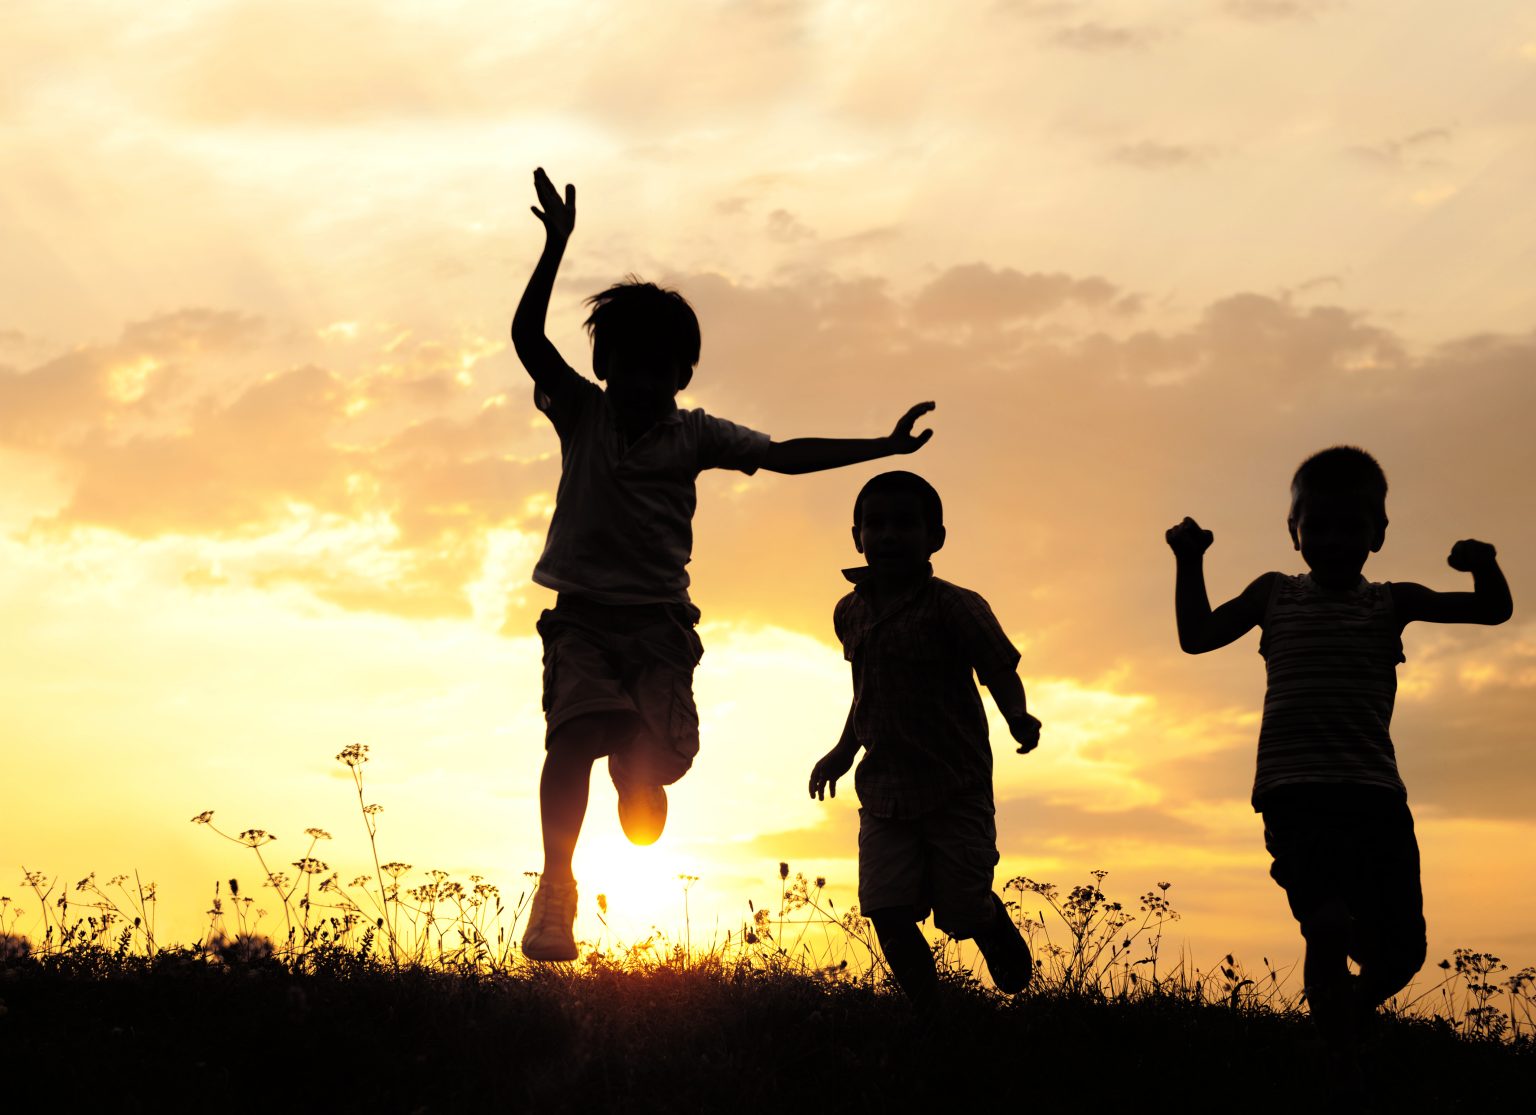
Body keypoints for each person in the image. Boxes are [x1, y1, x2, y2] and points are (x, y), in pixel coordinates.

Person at [511, 168, 937, 962]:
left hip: (661, 630)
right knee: (569, 737)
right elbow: (530, 343)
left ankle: (639, 770)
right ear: (603, 367)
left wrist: (882, 445)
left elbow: (783, 455)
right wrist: (555, 248)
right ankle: (557, 885)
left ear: (681, 375)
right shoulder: (583, 411)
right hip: (581, 619)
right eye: (625, 366)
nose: (639, 382)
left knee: (659, 765)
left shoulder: (696, 435)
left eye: (656, 369)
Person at [1166, 446, 1513, 1059]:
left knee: (1403, 952)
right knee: (1325, 924)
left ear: (1378, 533)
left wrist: (1483, 565)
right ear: (1292, 532)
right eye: (1316, 525)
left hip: (1376, 796)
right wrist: (1189, 560)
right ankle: (1336, 1052)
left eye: (1351, 526)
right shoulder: (1273, 595)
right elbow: (1197, 637)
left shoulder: (1391, 602)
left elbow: (1491, 610)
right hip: (1295, 793)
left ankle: (1343, 1018)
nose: (1332, 539)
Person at [809, 470, 1041, 1007]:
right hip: (885, 790)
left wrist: (1018, 715)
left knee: (959, 906)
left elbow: (998, 668)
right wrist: (843, 751)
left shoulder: (955, 605)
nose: (890, 535)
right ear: (857, 536)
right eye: (877, 524)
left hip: (953, 785)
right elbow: (864, 691)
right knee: (886, 907)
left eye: (906, 524)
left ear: (935, 537)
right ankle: (927, 1013)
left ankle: (988, 921)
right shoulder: (851, 611)